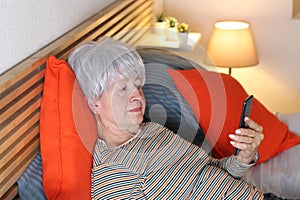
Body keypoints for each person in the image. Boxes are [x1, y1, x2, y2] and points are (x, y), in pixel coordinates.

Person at [68, 37, 265, 199]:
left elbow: (211, 174)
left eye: (137, 85)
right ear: (95, 103)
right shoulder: (114, 172)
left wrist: (243, 158)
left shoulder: (152, 129)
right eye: (122, 89)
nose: (137, 95)